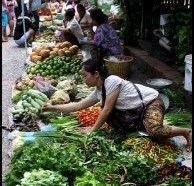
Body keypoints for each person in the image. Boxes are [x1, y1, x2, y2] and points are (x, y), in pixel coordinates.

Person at [42, 59, 192, 152]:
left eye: (85, 75)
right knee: (120, 127)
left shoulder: (112, 81)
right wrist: (52, 108)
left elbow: (107, 110)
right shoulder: (98, 91)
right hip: (137, 111)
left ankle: (186, 132)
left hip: (151, 102)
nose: (83, 79)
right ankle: (142, 125)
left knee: (155, 132)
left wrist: (92, 130)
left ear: (96, 74)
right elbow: (78, 105)